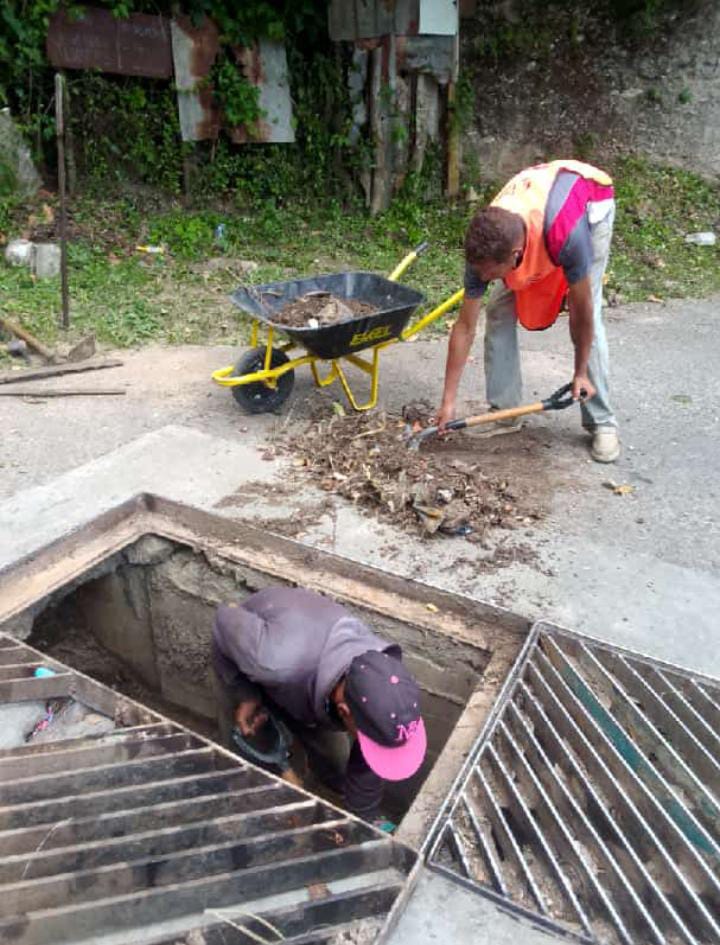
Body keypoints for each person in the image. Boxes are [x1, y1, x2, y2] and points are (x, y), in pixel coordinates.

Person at [437, 159, 620, 463]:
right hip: (536, 211)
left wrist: (578, 372)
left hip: (590, 206)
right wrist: (448, 402)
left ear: (515, 256)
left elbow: (581, 313)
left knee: (589, 309)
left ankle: (602, 421)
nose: (482, 279)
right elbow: (465, 326)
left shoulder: (568, 237)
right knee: (497, 308)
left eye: (491, 274)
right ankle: (506, 413)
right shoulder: (484, 249)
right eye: (480, 273)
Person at [211, 586, 427, 829]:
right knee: (250, 756)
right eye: (370, 741)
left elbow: (372, 753)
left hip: (311, 690)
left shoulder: (386, 682)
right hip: (253, 656)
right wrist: (246, 694)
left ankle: (330, 795)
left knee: (334, 761)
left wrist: (363, 818)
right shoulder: (271, 661)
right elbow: (223, 619)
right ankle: (240, 808)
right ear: (344, 712)